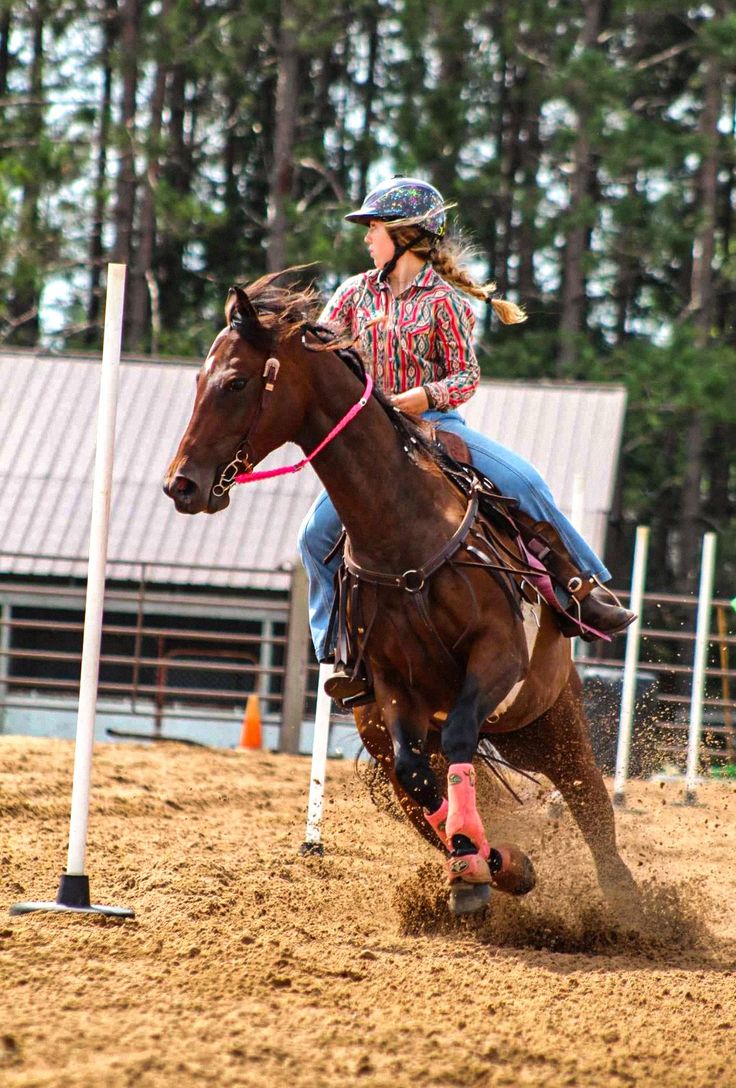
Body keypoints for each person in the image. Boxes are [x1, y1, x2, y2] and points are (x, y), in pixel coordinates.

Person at [298, 176, 635, 706]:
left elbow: (465, 377)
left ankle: (583, 590)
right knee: (313, 538)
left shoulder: (444, 302)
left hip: (438, 427)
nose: (366, 238)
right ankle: (338, 649)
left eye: (375, 228)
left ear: (406, 236)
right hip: (369, 442)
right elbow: (318, 353)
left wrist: (420, 397)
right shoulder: (350, 294)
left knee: (523, 481)